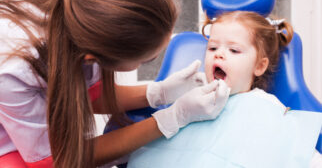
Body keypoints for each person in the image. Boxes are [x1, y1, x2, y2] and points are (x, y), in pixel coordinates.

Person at [0, 0, 231, 167]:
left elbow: (91, 95)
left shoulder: (84, 13)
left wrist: (161, 92)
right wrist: (173, 118)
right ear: (93, 57)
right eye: (146, 60)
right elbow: (52, 161)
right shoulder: (12, 72)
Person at [127, 10, 322, 168]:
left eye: (234, 50)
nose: (219, 54)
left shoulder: (265, 106)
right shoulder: (190, 102)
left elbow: (299, 153)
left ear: (259, 66)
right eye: (212, 48)